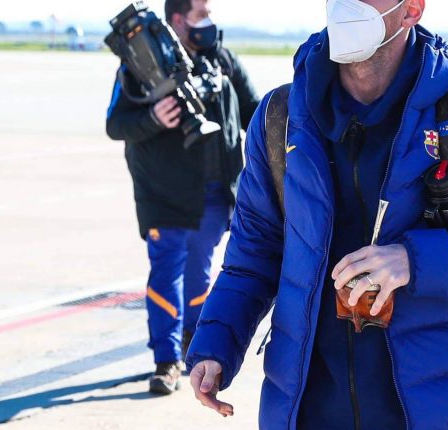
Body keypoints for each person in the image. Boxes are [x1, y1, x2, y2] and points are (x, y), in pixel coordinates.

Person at [186, 0, 448, 428]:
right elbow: (253, 254)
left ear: (411, 10)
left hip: (434, 409)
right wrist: (216, 345)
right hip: (310, 412)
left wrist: (413, 261)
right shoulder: (281, 119)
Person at [105, 0, 260, 395]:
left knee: (201, 272)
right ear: (178, 19)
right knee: (166, 274)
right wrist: (153, 118)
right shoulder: (138, 66)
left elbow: (255, 113)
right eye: (201, 14)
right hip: (164, 194)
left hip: (215, 193)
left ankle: (195, 344)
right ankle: (166, 360)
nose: (210, 21)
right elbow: (116, 124)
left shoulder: (222, 61)